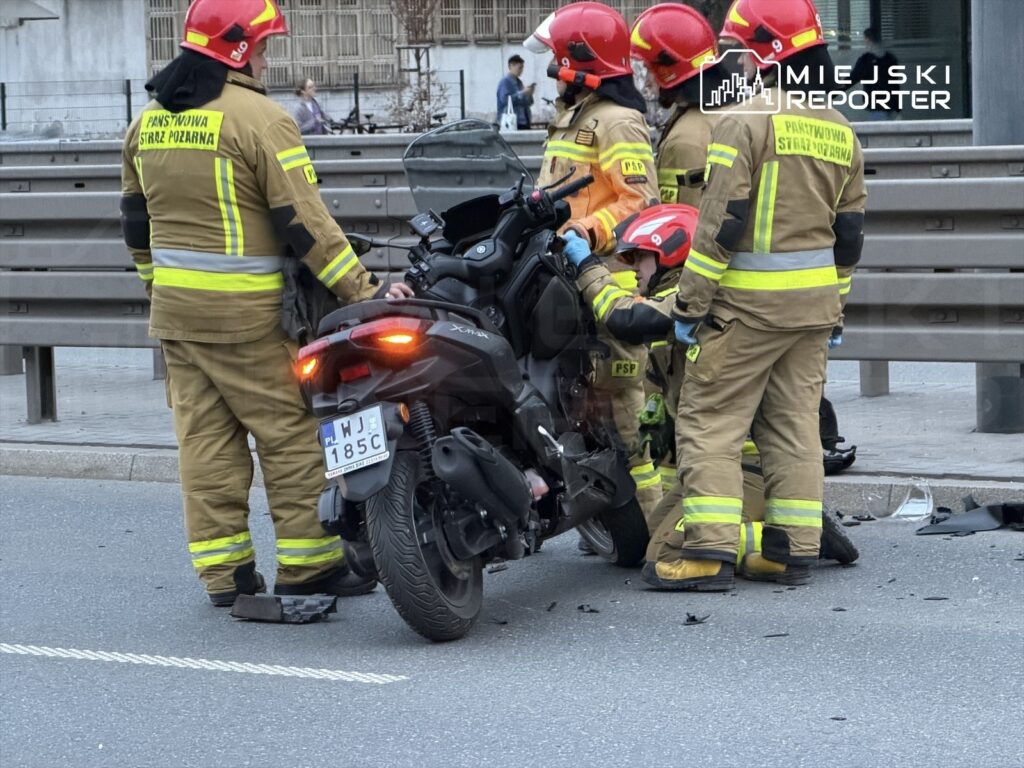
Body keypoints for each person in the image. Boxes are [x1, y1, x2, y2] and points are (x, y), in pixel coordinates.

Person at [120, 0, 412, 608]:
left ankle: (225, 577)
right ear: (241, 48)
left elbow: (135, 225)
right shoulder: (261, 120)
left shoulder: (147, 121)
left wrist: (159, 290)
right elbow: (306, 226)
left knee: (205, 444)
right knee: (290, 437)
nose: (268, 53)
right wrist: (366, 293)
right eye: (264, 43)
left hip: (176, 318)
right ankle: (309, 568)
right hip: (249, 320)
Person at [655, 0, 866, 591]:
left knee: (709, 423)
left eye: (739, 51)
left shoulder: (742, 121)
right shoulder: (839, 127)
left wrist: (689, 306)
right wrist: (836, 307)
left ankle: (707, 553)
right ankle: (789, 550)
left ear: (765, 51)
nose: (734, 63)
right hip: (813, 312)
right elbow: (849, 236)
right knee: (795, 427)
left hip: (745, 311)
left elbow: (720, 225)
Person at [562, 206, 859, 571]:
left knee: (662, 554)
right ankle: (777, 533)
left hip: (745, 465)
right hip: (714, 467)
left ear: (669, 254)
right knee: (649, 540)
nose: (634, 269)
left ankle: (791, 539)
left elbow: (623, 316)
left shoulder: (690, 301)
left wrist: (587, 265)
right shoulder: (670, 302)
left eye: (641, 258)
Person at [525, 2, 663, 537]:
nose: (549, 70)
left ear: (579, 61)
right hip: (567, 283)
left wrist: (590, 232)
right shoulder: (575, 116)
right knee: (583, 408)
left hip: (609, 280)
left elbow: (641, 202)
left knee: (626, 415)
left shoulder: (619, 121)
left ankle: (660, 535)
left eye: (556, 59)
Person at [849, 27, 900, 121]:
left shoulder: (866, 60)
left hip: (877, 106)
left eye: (865, 39)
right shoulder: (890, 58)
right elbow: (896, 85)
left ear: (868, 40)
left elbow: (852, 78)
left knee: (878, 132)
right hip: (890, 106)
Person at [495, 54, 535, 130]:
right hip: (511, 122)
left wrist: (529, 94)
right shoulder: (505, 81)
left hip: (523, 121)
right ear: (511, 66)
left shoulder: (519, 82)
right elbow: (505, 100)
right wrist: (523, 93)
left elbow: (528, 103)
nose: (521, 70)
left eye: (522, 68)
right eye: (519, 68)